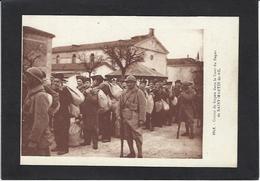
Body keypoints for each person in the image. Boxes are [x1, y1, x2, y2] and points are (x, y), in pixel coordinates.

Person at [22, 67, 52, 156]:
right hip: (29, 136)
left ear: (34, 79)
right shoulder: (32, 93)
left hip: (38, 141)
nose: (25, 79)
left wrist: (33, 141)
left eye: (28, 77)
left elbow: (41, 121)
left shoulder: (40, 96)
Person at [119, 75, 146, 158]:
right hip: (125, 117)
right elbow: (120, 105)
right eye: (127, 82)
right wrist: (119, 115)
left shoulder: (139, 92)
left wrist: (141, 119)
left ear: (135, 83)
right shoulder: (124, 92)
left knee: (137, 136)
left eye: (131, 82)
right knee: (127, 136)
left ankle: (140, 153)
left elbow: (142, 106)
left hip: (135, 117)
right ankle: (132, 152)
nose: (129, 84)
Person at [51, 73, 73, 155]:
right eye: (54, 81)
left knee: (63, 131)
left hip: (64, 114)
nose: (55, 83)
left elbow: (69, 100)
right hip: (56, 114)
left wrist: (60, 92)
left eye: (57, 81)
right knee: (56, 130)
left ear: (61, 82)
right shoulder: (53, 90)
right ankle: (58, 146)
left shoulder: (65, 89)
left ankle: (64, 148)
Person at [77, 76, 99, 149]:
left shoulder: (94, 90)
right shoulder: (83, 91)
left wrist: (88, 93)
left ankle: (95, 143)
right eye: (85, 83)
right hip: (85, 111)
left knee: (94, 127)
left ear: (90, 83)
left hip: (93, 112)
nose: (86, 84)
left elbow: (94, 100)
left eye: (87, 83)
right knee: (85, 127)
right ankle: (87, 141)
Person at [92, 75, 112, 143]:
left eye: (94, 80)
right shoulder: (101, 86)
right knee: (102, 122)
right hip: (103, 107)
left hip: (106, 107)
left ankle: (107, 137)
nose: (93, 82)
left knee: (105, 122)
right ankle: (104, 136)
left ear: (97, 81)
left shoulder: (103, 86)